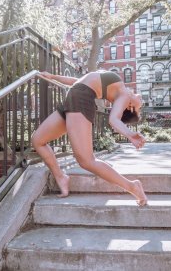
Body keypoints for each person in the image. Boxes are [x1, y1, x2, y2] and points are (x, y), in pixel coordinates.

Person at [32, 70, 147, 206]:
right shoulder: (117, 87)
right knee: (38, 140)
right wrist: (53, 76)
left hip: (80, 100)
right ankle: (60, 177)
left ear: (130, 107)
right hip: (73, 97)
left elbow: (113, 119)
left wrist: (130, 134)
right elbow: (78, 80)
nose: (141, 99)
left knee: (86, 161)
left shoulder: (124, 95)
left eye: (141, 106)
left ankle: (132, 186)